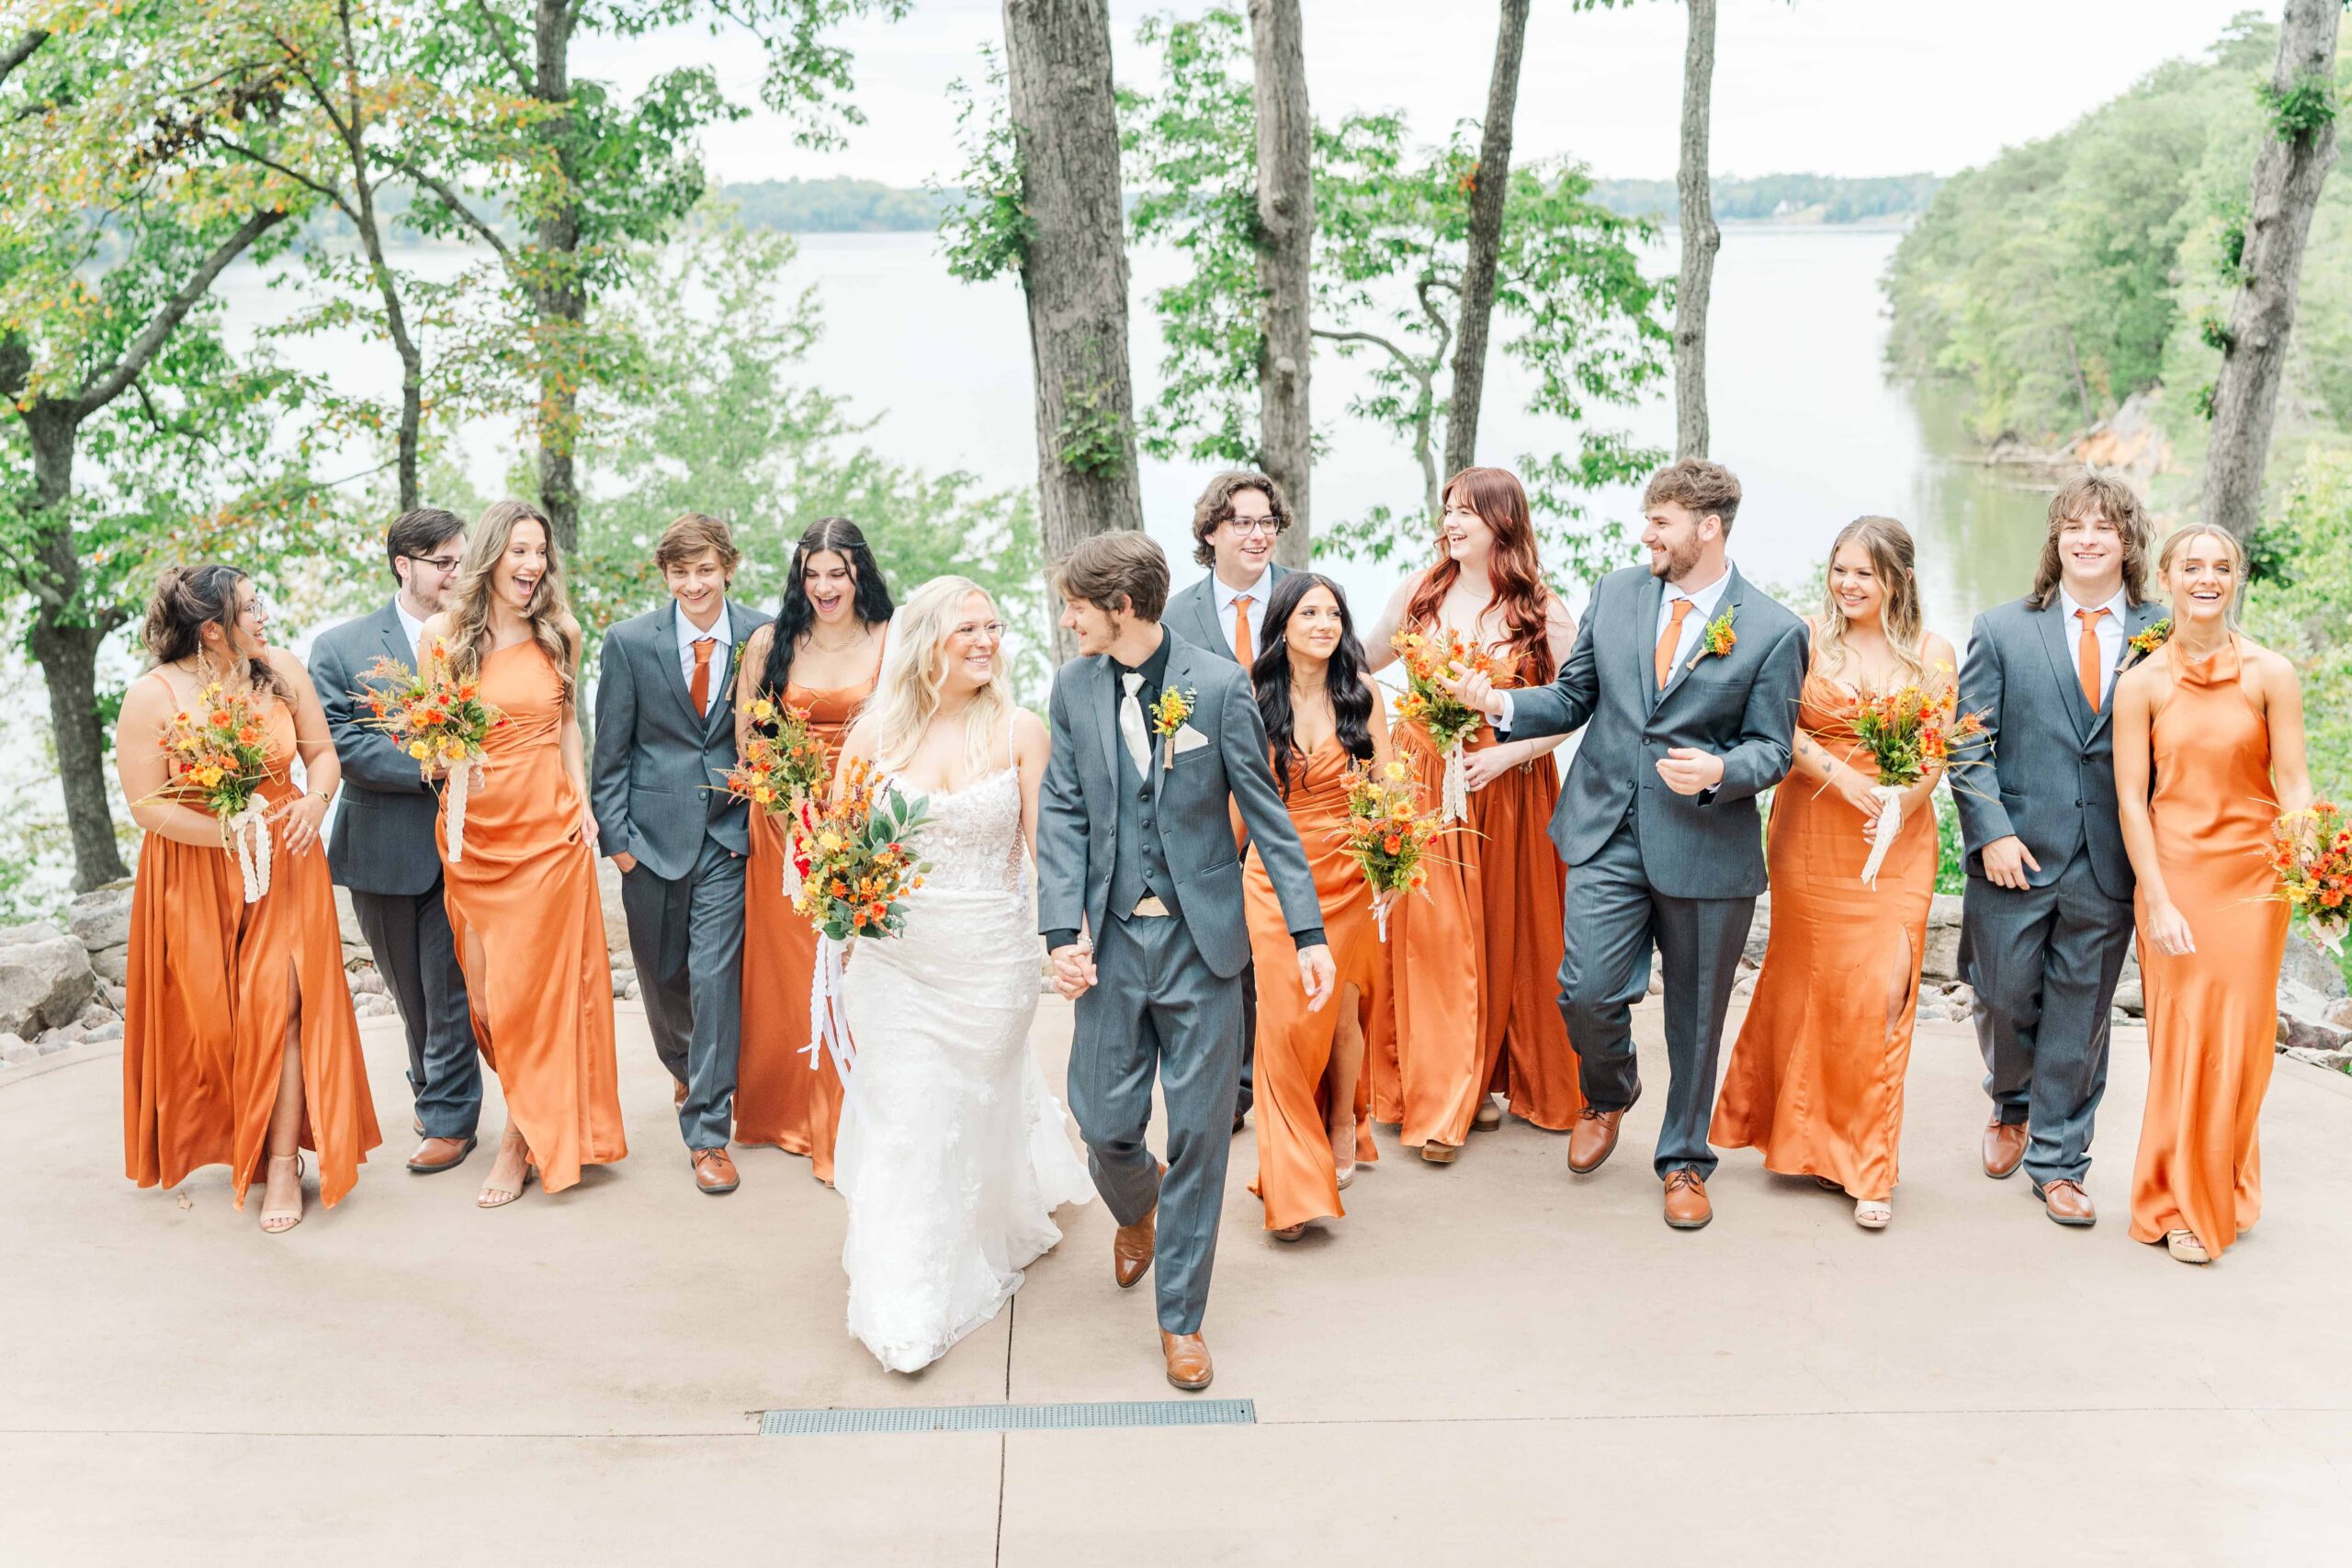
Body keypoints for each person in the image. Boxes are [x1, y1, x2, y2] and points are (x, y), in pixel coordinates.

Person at [1445, 458, 1806, 1230]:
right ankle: (1609, 1091)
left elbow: (1772, 749)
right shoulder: (1616, 592)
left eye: (1662, 521)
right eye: (1647, 517)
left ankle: (1683, 1159)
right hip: (1606, 826)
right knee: (1584, 991)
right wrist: (1502, 702)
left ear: (1707, 529)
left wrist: (1721, 768)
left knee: (1696, 1017)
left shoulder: (1776, 630)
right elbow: (1576, 694)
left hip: (1707, 845)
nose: (1646, 533)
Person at [1038, 531, 1334, 1392]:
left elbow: (1267, 815)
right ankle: (1137, 1203)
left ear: (1121, 608)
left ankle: (1182, 1319)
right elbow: (1062, 810)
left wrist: (1309, 934)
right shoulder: (1072, 687)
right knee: (1101, 1121)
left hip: (1205, 950)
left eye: (1078, 607)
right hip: (1113, 943)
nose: (1068, 621)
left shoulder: (1217, 683)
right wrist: (1063, 930)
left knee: (1203, 1134)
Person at [832, 577, 1092, 1371]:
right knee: (911, 1119)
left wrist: (1066, 942)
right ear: (926, 643)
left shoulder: (1021, 731)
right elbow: (836, 852)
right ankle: (905, 1303)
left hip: (989, 963)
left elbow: (1050, 851)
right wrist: (840, 916)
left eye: (993, 626)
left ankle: (981, 1224)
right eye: (966, 629)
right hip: (893, 965)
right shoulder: (873, 736)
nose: (985, 640)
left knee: (967, 1115)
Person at [1709, 517, 1956, 1229]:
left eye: (1864, 574)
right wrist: (1844, 778)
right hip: (1812, 827)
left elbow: (1934, 752)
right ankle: (1807, 1140)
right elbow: (1777, 726)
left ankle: (1869, 1162)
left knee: (1881, 993)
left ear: (1897, 580)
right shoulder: (1807, 639)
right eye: (1840, 569)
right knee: (1808, 982)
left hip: (1895, 841)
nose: (1848, 585)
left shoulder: (1932, 654)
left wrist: (1897, 805)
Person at [117, 565, 380, 1231]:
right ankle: (242, 1136)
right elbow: (147, 807)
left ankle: (285, 1164)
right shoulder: (152, 696)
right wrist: (228, 835)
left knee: (283, 1003)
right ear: (212, 630)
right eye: (250, 608)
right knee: (222, 1023)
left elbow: (323, 756)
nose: (264, 616)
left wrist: (315, 803)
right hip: (198, 870)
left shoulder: (281, 668)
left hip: (288, 858)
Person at [1952, 472, 2164, 1228]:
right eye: (2074, 525)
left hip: (2110, 858)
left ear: (2127, 540)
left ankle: (2060, 1161)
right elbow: (1968, 742)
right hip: (2016, 853)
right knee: (2003, 995)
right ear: (2056, 539)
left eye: (2103, 526)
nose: (2087, 537)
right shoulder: (2003, 627)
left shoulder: (2163, 631)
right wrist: (1993, 831)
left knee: (2082, 1014)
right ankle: (2009, 1101)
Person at [1363, 467, 1580, 1164]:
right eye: (1448, 510)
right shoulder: (1418, 594)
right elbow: (1357, 664)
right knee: (1435, 936)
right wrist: (1385, 742)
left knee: (1503, 933)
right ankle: (1439, 1098)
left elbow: (1577, 707)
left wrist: (1513, 757)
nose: (1451, 522)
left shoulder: (1543, 610)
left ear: (1503, 522)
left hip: (1509, 785)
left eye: (1467, 512)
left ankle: (1488, 1081)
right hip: (1428, 783)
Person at [420, 500, 625, 1207]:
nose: (532, 564)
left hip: (551, 831)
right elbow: (435, 741)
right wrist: (443, 753)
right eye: (518, 551)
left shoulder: (561, 632)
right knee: (488, 995)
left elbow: (569, 727)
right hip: (477, 833)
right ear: (490, 556)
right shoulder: (444, 637)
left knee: (536, 996)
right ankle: (532, 1112)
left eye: (540, 551)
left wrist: (585, 804)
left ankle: (518, 1138)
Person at [2114, 524, 2310, 1265]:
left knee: (2246, 1046)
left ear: (2236, 580)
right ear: (2166, 578)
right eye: (2191, 565)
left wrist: (2313, 871)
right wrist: (2157, 898)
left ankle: (2225, 1182)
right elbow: (2133, 802)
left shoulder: (2271, 674)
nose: (2206, 577)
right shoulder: (2143, 684)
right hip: (2177, 877)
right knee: (2188, 1042)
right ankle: (2179, 1203)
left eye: (2220, 567)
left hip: (2256, 885)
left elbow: (2292, 783)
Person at [592, 513, 770, 1196]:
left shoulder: (763, 633)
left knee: (713, 979)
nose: (694, 584)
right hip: (651, 840)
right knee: (662, 980)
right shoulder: (631, 642)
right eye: (680, 572)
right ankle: (684, 1064)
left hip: (728, 834)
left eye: (705, 569)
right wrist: (620, 846)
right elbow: (612, 749)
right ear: (664, 575)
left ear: (728, 565)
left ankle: (707, 1134)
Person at [310, 508, 482, 1175]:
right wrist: (422, 766)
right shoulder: (342, 646)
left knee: (450, 989)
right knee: (411, 992)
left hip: (466, 843)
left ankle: (450, 1119)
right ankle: (431, 1087)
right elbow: (340, 741)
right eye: (444, 563)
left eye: (463, 561)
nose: (456, 575)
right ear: (403, 565)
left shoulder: (478, 638)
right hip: (378, 849)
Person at [731, 517, 895, 1184]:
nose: (825, 586)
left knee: (854, 970)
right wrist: (790, 798)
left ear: (861, 572)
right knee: (791, 972)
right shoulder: (772, 642)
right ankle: (786, 1110)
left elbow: (908, 729)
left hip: (861, 823)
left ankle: (844, 1119)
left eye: (839, 571)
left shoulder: (893, 638)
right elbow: (749, 739)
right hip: (785, 827)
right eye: (813, 573)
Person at [1242, 573, 1392, 1240]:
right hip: (1273, 874)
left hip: (1348, 869)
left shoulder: (1363, 694)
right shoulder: (1251, 697)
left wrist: (1390, 863)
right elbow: (1236, 802)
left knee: (1339, 1013)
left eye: (1334, 613)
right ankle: (1292, 1179)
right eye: (1310, 612)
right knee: (1282, 1019)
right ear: (1283, 624)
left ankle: (1339, 1124)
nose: (1325, 623)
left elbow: (1386, 788)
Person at [1162, 470, 1296, 1131]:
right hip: (1211, 797)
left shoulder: (1304, 598)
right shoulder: (1175, 613)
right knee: (1228, 938)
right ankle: (1238, 1086)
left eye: (1266, 520)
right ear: (1211, 531)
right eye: (1241, 521)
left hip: (1294, 790)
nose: (1257, 533)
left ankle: (1296, 1080)